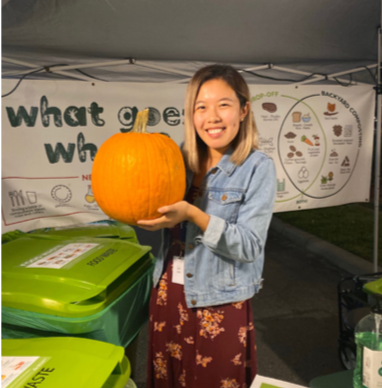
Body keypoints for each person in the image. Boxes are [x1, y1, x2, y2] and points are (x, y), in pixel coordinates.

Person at [137, 64, 276, 388]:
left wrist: (193, 215)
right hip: (168, 294)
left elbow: (249, 246)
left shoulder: (257, 168)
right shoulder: (176, 160)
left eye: (223, 105)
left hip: (219, 299)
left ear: (243, 110)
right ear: (191, 114)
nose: (211, 116)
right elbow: (159, 225)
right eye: (201, 107)